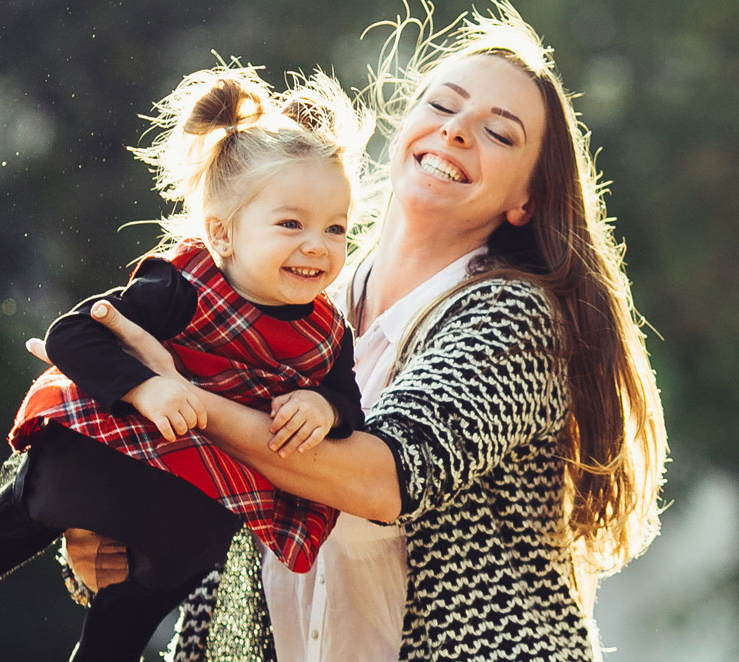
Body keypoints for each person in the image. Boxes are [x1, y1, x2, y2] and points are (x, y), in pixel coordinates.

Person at [55, 3, 668, 661]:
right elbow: (207, 508)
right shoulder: (284, 294)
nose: (457, 131)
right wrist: (105, 540)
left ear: (528, 200)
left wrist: (190, 404)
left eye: (499, 132)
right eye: (443, 106)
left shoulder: (518, 318)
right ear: (407, 126)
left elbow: (386, 478)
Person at [0, 66, 373, 661]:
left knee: (118, 638)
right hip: (96, 463)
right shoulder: (182, 286)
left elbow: (348, 408)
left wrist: (320, 405)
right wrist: (146, 389)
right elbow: (71, 336)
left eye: (336, 227)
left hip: (190, 516)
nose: (318, 244)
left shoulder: (326, 331)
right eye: (291, 224)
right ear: (222, 234)